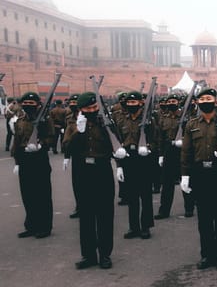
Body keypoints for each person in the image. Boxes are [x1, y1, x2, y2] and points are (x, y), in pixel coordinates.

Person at [180, 88, 217, 270]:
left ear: (216, 102)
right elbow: (186, 152)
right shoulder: (191, 124)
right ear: (197, 103)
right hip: (200, 174)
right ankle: (207, 255)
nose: (205, 101)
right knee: (204, 219)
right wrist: (185, 175)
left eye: (209, 98)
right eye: (202, 98)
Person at [65, 92, 115, 269]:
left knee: (104, 214)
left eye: (95, 108)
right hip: (82, 171)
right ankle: (88, 255)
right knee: (86, 215)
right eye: (89, 108)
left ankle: (104, 254)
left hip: (102, 169)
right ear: (81, 109)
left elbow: (115, 145)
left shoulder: (106, 123)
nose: (93, 111)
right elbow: (67, 148)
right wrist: (78, 132)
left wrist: (121, 159)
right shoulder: (73, 124)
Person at [11, 92, 55, 239]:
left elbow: (51, 137)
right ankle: (31, 225)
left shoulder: (44, 119)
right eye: (26, 103)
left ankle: (44, 227)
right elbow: (16, 141)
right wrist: (17, 161)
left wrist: (41, 145)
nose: (28, 106)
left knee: (42, 194)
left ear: (38, 104)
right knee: (27, 194)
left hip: (39, 159)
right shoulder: (20, 120)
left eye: (31, 103)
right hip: (24, 159)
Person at [115, 91, 156, 239]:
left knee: (145, 196)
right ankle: (134, 227)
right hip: (128, 159)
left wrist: (149, 148)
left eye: (135, 102)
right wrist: (119, 164)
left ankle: (145, 227)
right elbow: (118, 141)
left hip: (144, 160)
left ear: (141, 103)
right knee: (131, 197)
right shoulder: (122, 121)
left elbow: (155, 139)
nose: (131, 105)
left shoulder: (149, 120)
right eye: (129, 103)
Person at [155, 93, 195, 219]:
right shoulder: (163, 118)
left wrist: (183, 140)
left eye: (174, 101)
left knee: (186, 179)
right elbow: (160, 138)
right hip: (168, 151)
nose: (171, 103)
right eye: (169, 101)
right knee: (167, 183)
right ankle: (164, 210)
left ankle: (189, 208)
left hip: (183, 151)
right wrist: (161, 155)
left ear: (178, 103)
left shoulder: (186, 117)